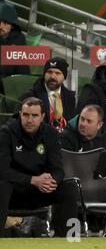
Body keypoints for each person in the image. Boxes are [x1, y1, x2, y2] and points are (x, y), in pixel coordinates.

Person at [0, 97, 78, 237]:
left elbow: (58, 169)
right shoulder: (7, 132)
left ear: (42, 116)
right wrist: (32, 180)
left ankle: (70, 239)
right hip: (13, 192)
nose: (29, 120)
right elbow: (2, 170)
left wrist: (51, 180)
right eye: (25, 115)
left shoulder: (50, 134)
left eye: (34, 115)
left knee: (69, 188)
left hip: (40, 190)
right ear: (20, 114)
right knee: (2, 185)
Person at [21, 57, 75, 132]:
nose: (52, 76)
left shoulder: (70, 97)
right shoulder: (30, 96)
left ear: (64, 77)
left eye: (57, 73)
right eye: (49, 72)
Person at [0, 2, 30, 81]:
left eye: (5, 23)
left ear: (12, 25)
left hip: (11, 81)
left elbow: (22, 68)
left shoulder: (19, 38)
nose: (1, 26)